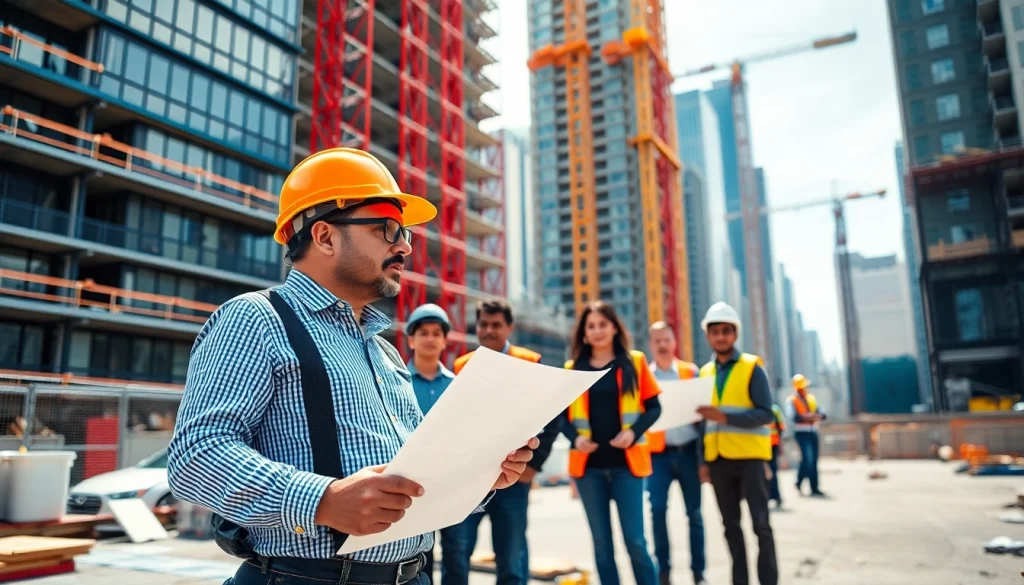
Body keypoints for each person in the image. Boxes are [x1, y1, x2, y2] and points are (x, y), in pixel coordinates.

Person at [166, 147, 537, 585]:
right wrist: (321, 500)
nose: (403, 246)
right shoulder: (257, 319)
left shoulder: (384, 352)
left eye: (407, 235)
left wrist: (478, 476)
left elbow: (410, 478)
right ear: (324, 237)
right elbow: (195, 457)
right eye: (388, 229)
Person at [452, 299, 561, 585]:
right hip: (471, 478)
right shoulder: (462, 365)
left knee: (512, 556)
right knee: (458, 551)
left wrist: (533, 466)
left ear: (509, 327)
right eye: (484, 324)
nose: (489, 330)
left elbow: (553, 418)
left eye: (496, 324)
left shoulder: (531, 362)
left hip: (514, 477)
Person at [562, 300, 661, 585]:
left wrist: (633, 433)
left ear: (615, 328)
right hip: (588, 470)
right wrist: (576, 438)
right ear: (583, 334)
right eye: (590, 326)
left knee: (636, 541)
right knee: (602, 546)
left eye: (602, 325)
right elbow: (560, 417)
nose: (597, 331)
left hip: (627, 467)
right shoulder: (572, 368)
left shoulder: (636, 362)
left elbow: (654, 407)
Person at [695, 302, 777, 585]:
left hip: (750, 459)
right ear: (708, 335)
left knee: (760, 525)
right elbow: (701, 425)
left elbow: (766, 413)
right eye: (715, 331)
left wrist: (725, 416)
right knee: (730, 527)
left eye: (726, 331)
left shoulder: (752, 367)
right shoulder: (703, 373)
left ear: (735, 334)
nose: (720, 336)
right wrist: (702, 462)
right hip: (718, 461)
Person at [404, 303, 467, 585]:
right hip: (410, 484)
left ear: (444, 340)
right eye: (423, 333)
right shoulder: (396, 383)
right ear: (410, 340)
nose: (430, 338)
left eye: (436, 333)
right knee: (419, 555)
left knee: (457, 551)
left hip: (451, 483)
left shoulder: (459, 385)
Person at [645, 321, 707, 585]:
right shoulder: (644, 376)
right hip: (657, 455)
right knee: (657, 510)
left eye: (666, 339)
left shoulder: (691, 372)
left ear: (674, 342)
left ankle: (698, 572)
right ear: (651, 344)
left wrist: (704, 460)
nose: (662, 345)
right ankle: (664, 572)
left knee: (694, 513)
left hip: (689, 452)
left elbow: (704, 416)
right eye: (657, 340)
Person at [785, 374, 827, 497]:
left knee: (813, 460)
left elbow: (822, 413)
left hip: (813, 431)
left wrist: (817, 416)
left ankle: (814, 487)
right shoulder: (791, 400)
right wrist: (805, 417)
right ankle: (799, 482)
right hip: (801, 432)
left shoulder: (811, 398)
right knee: (807, 458)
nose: (803, 389)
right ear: (796, 388)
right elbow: (793, 417)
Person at [767, 404, 786, 509]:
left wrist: (780, 446)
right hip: (761, 445)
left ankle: (775, 496)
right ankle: (772, 496)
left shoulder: (775, 409)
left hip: (772, 445)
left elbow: (780, 429)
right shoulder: (774, 409)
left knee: (771, 471)